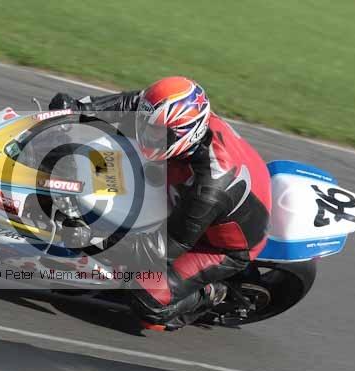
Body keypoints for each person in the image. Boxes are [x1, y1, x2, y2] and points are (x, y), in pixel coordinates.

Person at [49, 77, 272, 330]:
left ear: (185, 134)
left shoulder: (209, 189)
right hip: (208, 191)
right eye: (148, 127)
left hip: (218, 244)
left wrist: (92, 237)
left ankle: (212, 292)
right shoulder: (182, 120)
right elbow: (134, 103)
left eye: (156, 133)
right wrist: (78, 109)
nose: (145, 135)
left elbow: (160, 249)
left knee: (147, 298)